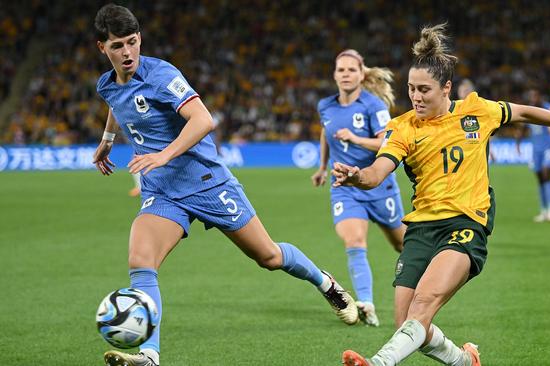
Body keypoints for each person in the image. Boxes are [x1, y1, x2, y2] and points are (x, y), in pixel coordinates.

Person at [91, 5, 358, 366]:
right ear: (102, 48)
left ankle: (325, 283)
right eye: (117, 46)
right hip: (163, 191)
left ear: (140, 40)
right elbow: (116, 103)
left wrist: (163, 155)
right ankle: (149, 355)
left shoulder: (161, 75)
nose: (127, 53)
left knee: (269, 256)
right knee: (141, 260)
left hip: (207, 182)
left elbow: (204, 119)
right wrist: (107, 140)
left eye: (132, 43)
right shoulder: (106, 84)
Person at [336, 24, 550, 366]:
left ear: (446, 88)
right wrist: (356, 176)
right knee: (408, 327)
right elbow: (377, 173)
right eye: (411, 89)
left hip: (467, 223)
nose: (416, 96)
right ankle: (465, 361)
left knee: (421, 308)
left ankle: (378, 363)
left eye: (424, 89)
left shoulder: (476, 111)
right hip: (422, 229)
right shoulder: (403, 126)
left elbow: (524, 112)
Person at [311, 49, 407, 327]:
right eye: (341, 70)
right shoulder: (325, 106)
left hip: (378, 184)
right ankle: (366, 303)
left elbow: (388, 143)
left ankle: (428, 288)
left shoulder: (373, 105)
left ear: (362, 73)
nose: (345, 74)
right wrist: (321, 166)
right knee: (354, 241)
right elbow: (325, 132)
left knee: (403, 244)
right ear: (334, 74)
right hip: (345, 186)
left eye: (351, 70)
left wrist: (355, 139)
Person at [515, 89, 550, 222]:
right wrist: (518, 144)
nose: (533, 99)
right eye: (530, 97)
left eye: (535, 96)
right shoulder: (530, 110)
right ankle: (544, 210)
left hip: (549, 147)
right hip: (536, 150)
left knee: (547, 175)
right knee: (540, 178)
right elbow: (522, 128)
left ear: (540, 96)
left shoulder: (548, 108)